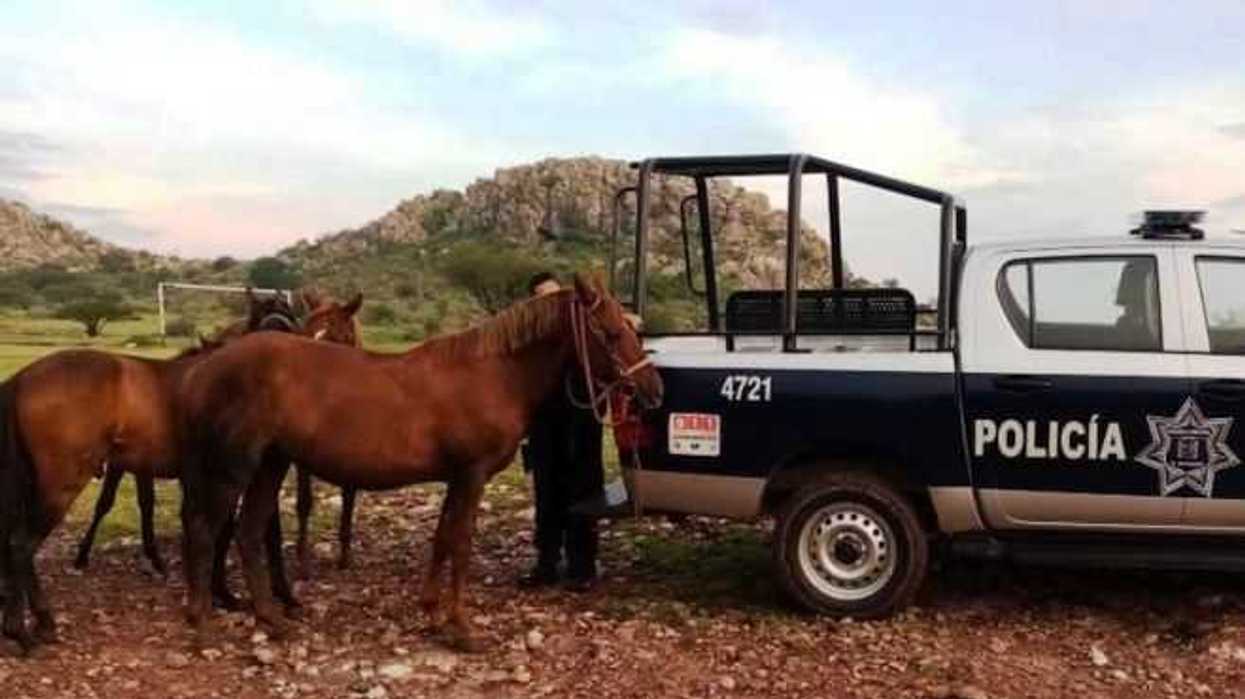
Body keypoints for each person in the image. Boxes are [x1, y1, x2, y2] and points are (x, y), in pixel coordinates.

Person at [519, 272, 605, 591]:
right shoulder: (530, 341)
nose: (552, 303)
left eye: (556, 296)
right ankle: (547, 563)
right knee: (547, 492)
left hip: (582, 422)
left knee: (583, 490)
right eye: (544, 298)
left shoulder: (584, 331)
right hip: (544, 425)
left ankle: (583, 566)